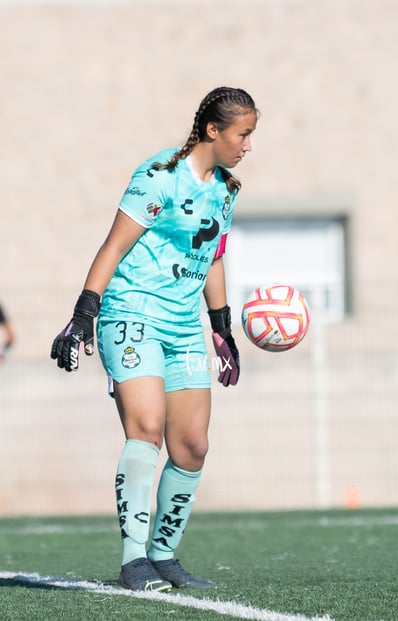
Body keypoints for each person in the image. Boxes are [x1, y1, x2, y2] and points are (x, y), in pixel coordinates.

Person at [51, 86, 258, 592]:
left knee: (191, 444)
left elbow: (211, 256)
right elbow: (113, 245)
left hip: (184, 324)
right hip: (131, 312)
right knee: (146, 427)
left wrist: (222, 327)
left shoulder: (227, 188)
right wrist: (83, 313)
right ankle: (133, 561)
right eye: (243, 134)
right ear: (214, 130)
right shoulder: (159, 175)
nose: (248, 145)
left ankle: (164, 557)